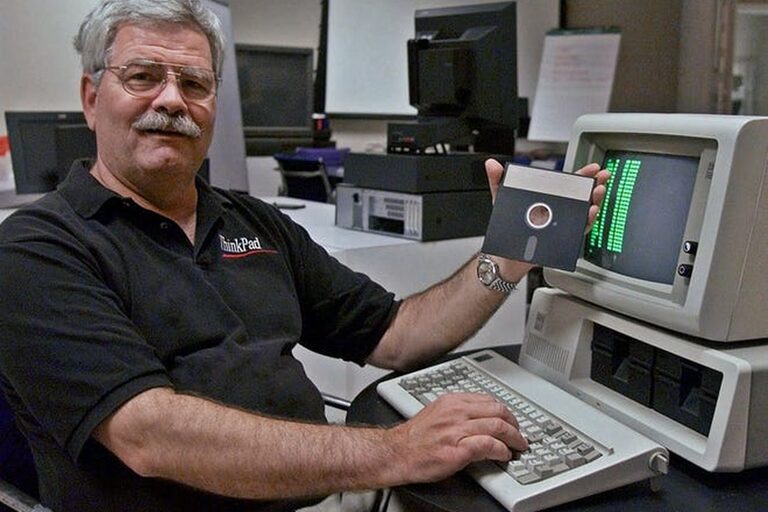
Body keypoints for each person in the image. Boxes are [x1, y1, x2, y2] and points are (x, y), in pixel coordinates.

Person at [0, 1, 609, 511]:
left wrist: (508, 255)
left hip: (322, 495)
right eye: (142, 77)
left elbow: (395, 334)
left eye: (195, 83)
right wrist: (398, 450)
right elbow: (149, 435)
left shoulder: (253, 221)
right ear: (91, 97)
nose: (173, 100)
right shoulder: (38, 249)